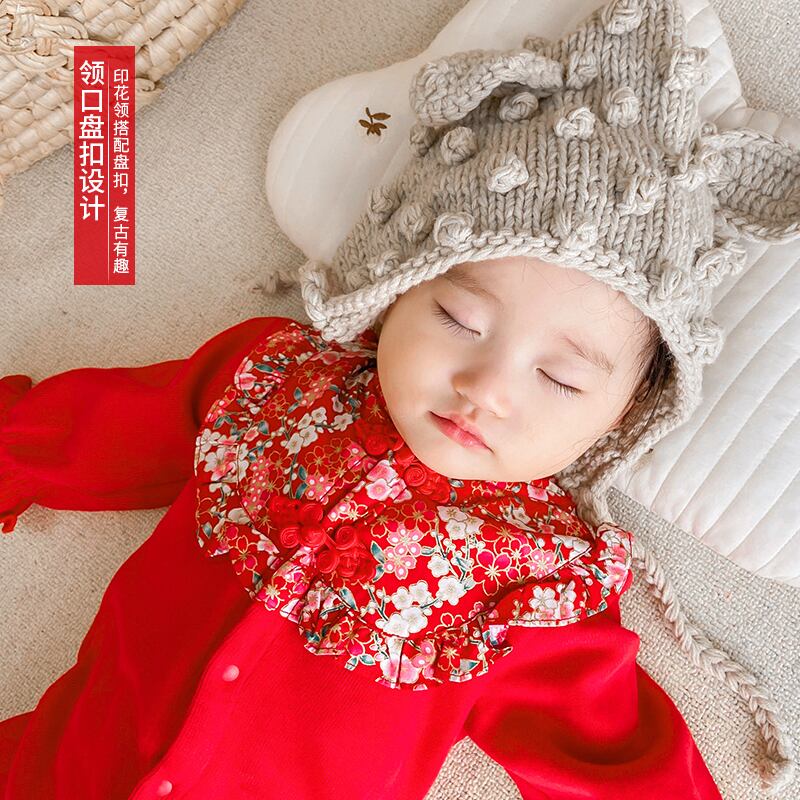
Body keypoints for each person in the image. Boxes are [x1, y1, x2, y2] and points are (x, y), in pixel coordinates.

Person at [1, 0, 798, 797]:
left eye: (560, 378)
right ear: (394, 291)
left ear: (622, 418)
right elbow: (104, 427)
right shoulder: (272, 379)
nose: (485, 388)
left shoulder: (533, 582)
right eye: (458, 320)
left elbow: (616, 759)